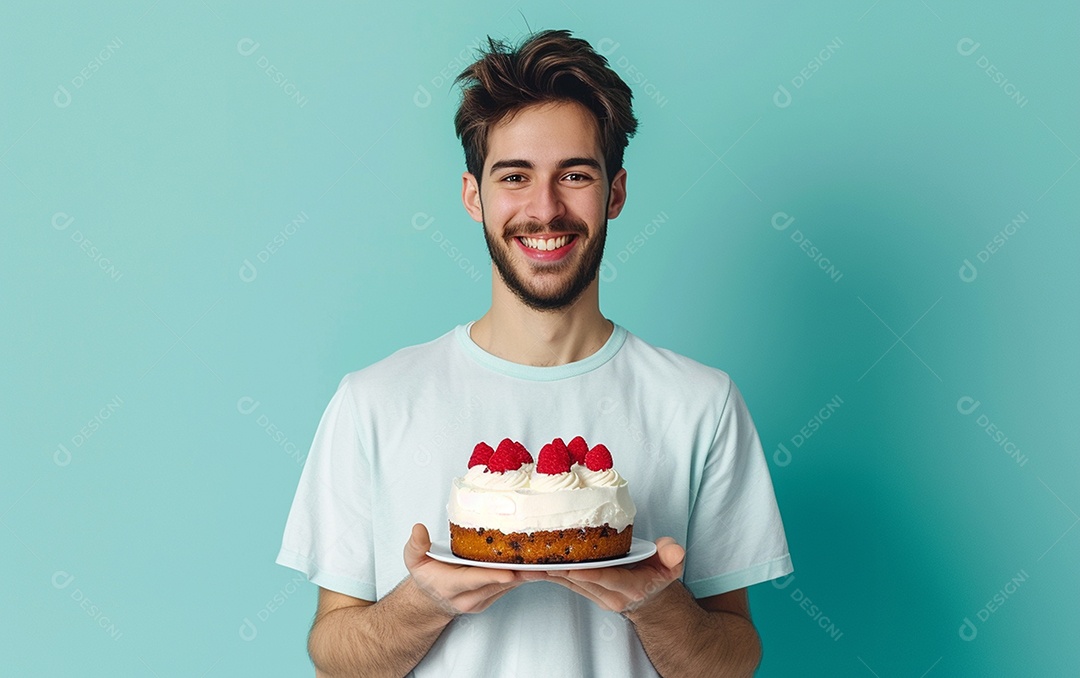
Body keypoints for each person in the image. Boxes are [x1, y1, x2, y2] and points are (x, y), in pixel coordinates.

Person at [276, 28, 792, 677]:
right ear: (474, 197)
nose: (544, 210)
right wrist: (424, 603)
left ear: (616, 193)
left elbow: (734, 659)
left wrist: (656, 606)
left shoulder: (701, 402)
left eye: (574, 175)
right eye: (514, 176)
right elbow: (334, 655)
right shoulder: (373, 401)